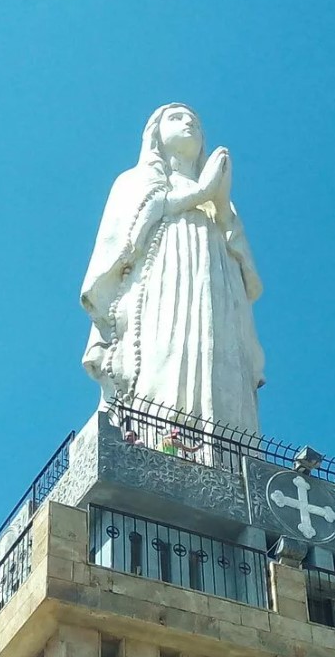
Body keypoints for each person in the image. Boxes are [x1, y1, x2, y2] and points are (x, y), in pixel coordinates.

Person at [80, 104, 266, 432]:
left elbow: (247, 275)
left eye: (195, 121)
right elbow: (130, 233)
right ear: (156, 135)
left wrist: (221, 204)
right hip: (162, 279)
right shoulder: (135, 180)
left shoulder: (219, 199)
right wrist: (201, 193)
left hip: (218, 288)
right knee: (165, 353)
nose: (188, 123)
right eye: (176, 118)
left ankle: (228, 447)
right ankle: (157, 436)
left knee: (219, 358)